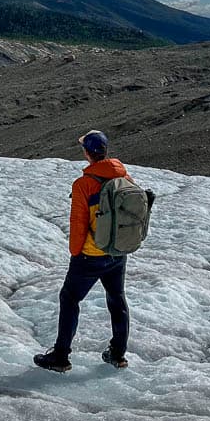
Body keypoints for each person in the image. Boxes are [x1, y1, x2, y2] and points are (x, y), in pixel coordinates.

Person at [34, 130, 131, 373]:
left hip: (90, 255)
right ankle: (118, 354)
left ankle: (60, 356)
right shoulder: (124, 177)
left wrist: (76, 253)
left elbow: (78, 224)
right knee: (117, 299)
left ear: (87, 152)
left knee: (69, 299)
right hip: (117, 252)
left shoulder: (83, 185)